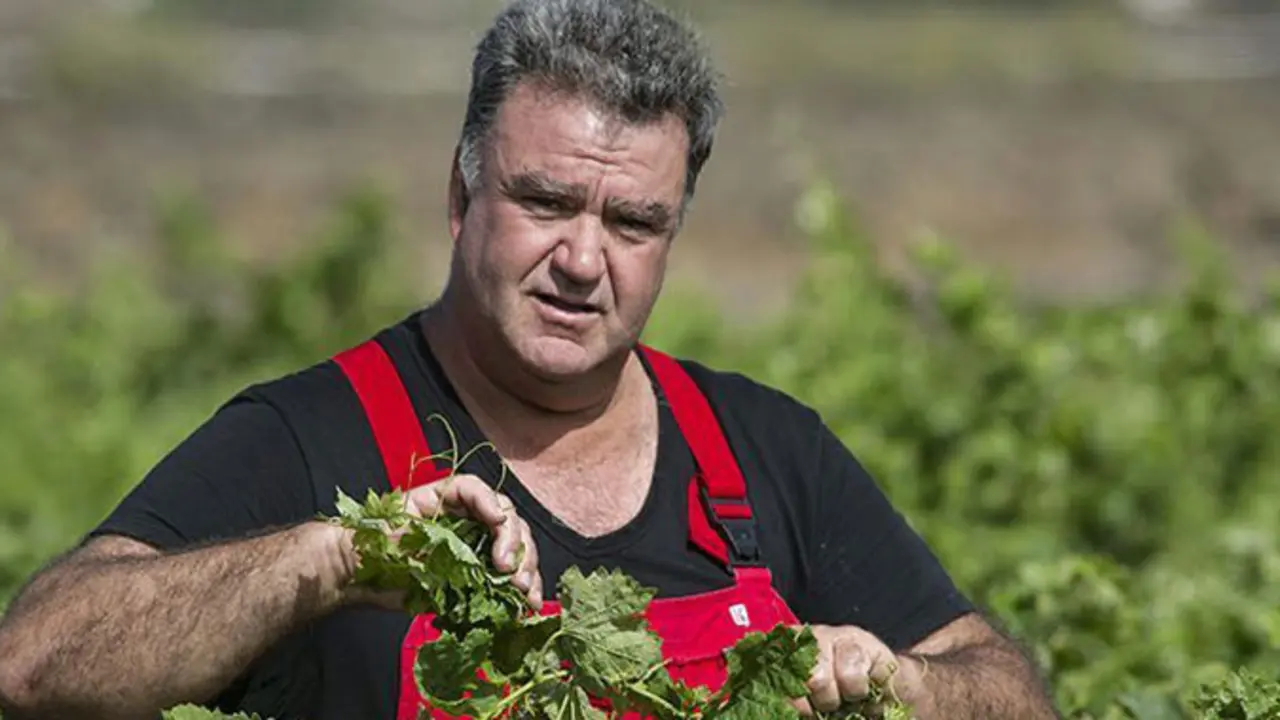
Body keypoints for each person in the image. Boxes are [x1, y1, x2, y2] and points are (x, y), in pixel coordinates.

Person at [0, 0, 1058, 718]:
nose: (583, 261)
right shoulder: (312, 435)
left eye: (632, 223)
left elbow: (1007, 692)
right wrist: (327, 565)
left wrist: (904, 684)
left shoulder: (764, 450)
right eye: (545, 203)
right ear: (461, 197)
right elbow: (34, 663)